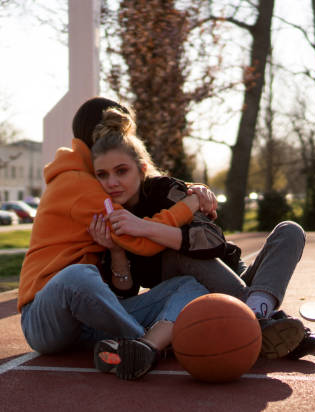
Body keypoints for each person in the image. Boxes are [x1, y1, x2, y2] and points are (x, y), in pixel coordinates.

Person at [87, 106, 315, 362]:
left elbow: (212, 240)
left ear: (141, 169)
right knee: (178, 256)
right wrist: (116, 249)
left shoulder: (164, 191)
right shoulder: (106, 215)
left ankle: (257, 314)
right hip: (193, 295)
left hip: (233, 276)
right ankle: (262, 321)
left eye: (121, 171)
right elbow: (126, 294)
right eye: (102, 175)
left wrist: (143, 227)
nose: (112, 182)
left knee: (290, 231)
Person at [18, 97, 218, 381]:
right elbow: (143, 241)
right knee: (78, 276)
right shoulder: (76, 183)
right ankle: (145, 344)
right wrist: (189, 205)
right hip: (45, 319)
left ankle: (140, 347)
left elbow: (144, 178)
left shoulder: (97, 179)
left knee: (189, 285)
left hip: (88, 320)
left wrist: (188, 189)